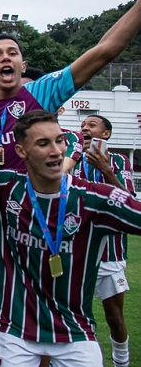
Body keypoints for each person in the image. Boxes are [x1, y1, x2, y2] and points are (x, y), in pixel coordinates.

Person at [0, 0, 141, 367]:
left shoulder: (39, 93)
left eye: (12, 52)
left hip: (35, 226)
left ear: (23, 63)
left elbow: (105, 51)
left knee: (42, 331)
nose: (5, 58)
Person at [0, 110, 141, 366]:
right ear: (21, 151)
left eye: (59, 140)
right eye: (43, 143)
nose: (55, 151)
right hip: (16, 333)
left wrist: (109, 175)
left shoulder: (95, 198)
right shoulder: (4, 187)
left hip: (76, 333)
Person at [74, 115, 134, 367]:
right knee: (72, 312)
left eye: (91, 125)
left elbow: (130, 200)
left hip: (110, 253)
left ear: (106, 134)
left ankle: (122, 362)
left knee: (114, 315)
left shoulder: (119, 160)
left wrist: (105, 169)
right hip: (76, 251)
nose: (84, 128)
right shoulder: (71, 160)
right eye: (83, 125)